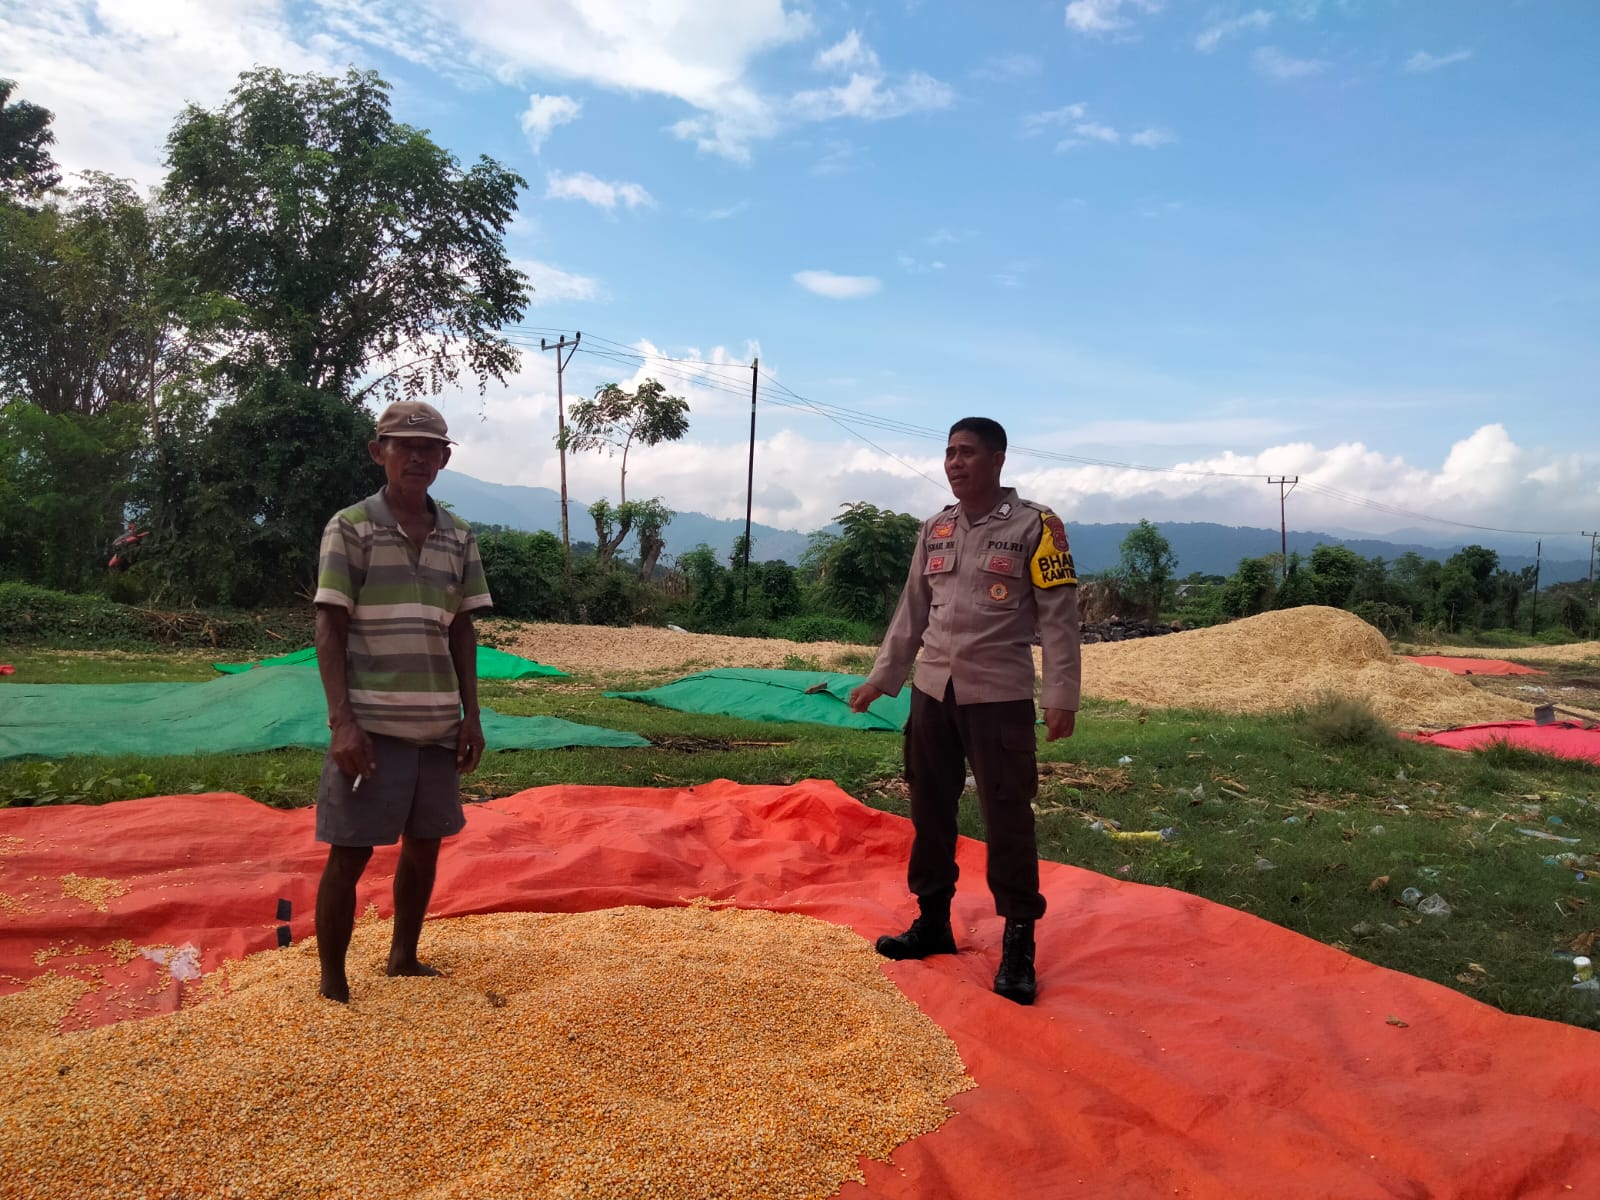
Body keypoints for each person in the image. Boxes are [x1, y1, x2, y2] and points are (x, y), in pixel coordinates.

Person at [849, 417, 1081, 1005]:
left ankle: (1019, 943)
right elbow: (912, 611)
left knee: (1007, 817)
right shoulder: (936, 527)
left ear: (998, 459)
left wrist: (1061, 696)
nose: (955, 462)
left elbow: (1059, 619)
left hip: (999, 696)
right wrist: (882, 679)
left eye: (967, 452)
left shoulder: (1037, 527)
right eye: (949, 452)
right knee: (929, 810)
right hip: (932, 693)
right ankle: (932, 921)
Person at [311, 399, 492, 1003]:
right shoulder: (351, 527)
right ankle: (333, 984)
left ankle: (403, 957)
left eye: (429, 448)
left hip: (437, 725)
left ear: (444, 459)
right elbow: (329, 624)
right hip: (371, 727)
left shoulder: (458, 535)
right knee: (350, 851)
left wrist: (471, 716)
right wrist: (342, 721)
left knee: (424, 846)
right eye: (404, 445)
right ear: (378, 452)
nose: (417, 457)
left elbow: (462, 628)